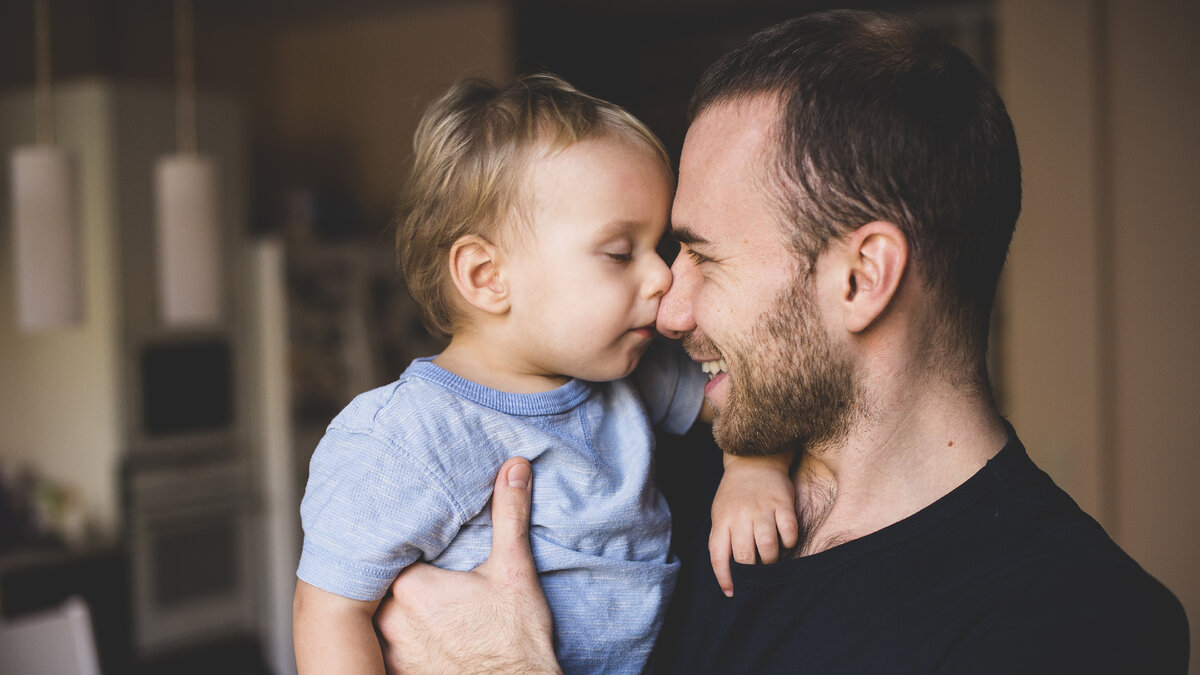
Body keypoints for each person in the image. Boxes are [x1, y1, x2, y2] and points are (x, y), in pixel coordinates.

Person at [374, 10, 1191, 673]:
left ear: (860, 277)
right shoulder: (647, 480)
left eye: (703, 254)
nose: (667, 308)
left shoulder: (1077, 624)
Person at [292, 73, 798, 674]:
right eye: (619, 253)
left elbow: (751, 401)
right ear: (486, 276)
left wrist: (751, 467)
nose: (664, 277)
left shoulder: (630, 376)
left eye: (658, 245)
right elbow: (326, 610)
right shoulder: (405, 436)